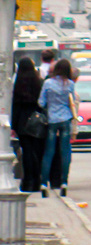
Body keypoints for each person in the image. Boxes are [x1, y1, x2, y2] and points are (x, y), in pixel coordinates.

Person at [38, 58, 77, 198]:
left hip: (52, 120)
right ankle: (64, 182)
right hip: (65, 119)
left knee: (49, 152)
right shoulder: (70, 84)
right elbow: (71, 102)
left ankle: (43, 183)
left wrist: (50, 105)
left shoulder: (48, 83)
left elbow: (41, 102)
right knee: (65, 151)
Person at [13, 58, 46, 193]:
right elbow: (42, 103)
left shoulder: (18, 84)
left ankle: (27, 181)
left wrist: (13, 125)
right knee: (35, 151)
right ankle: (37, 180)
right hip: (35, 120)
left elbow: (15, 106)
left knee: (26, 151)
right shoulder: (38, 83)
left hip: (22, 121)